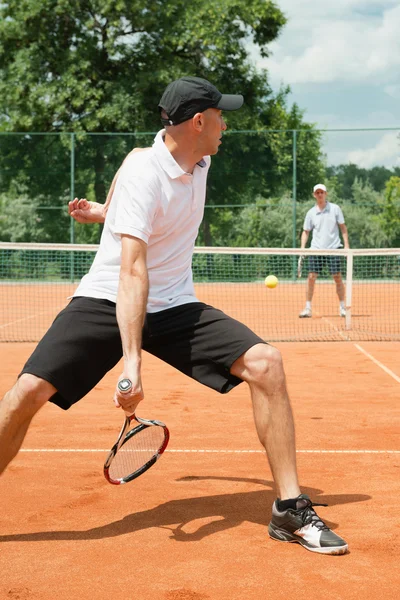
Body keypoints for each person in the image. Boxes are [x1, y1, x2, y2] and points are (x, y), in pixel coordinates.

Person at [0, 76, 347, 555]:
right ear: (198, 121)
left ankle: (289, 509)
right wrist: (131, 364)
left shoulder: (198, 160)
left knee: (267, 363)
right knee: (27, 392)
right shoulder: (143, 169)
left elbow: (130, 208)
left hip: (176, 304)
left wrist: (103, 212)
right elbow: (132, 271)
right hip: (109, 297)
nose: (226, 124)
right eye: (221, 115)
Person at [299, 183, 350, 318]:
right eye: (317, 193)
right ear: (314, 195)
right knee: (311, 277)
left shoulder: (335, 209)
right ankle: (308, 308)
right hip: (316, 250)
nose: (320, 195)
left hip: (334, 248)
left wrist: (346, 246)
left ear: (326, 194)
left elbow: (343, 228)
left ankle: (342, 307)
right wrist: (302, 249)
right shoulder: (311, 213)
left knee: (337, 277)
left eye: (322, 192)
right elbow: (306, 232)